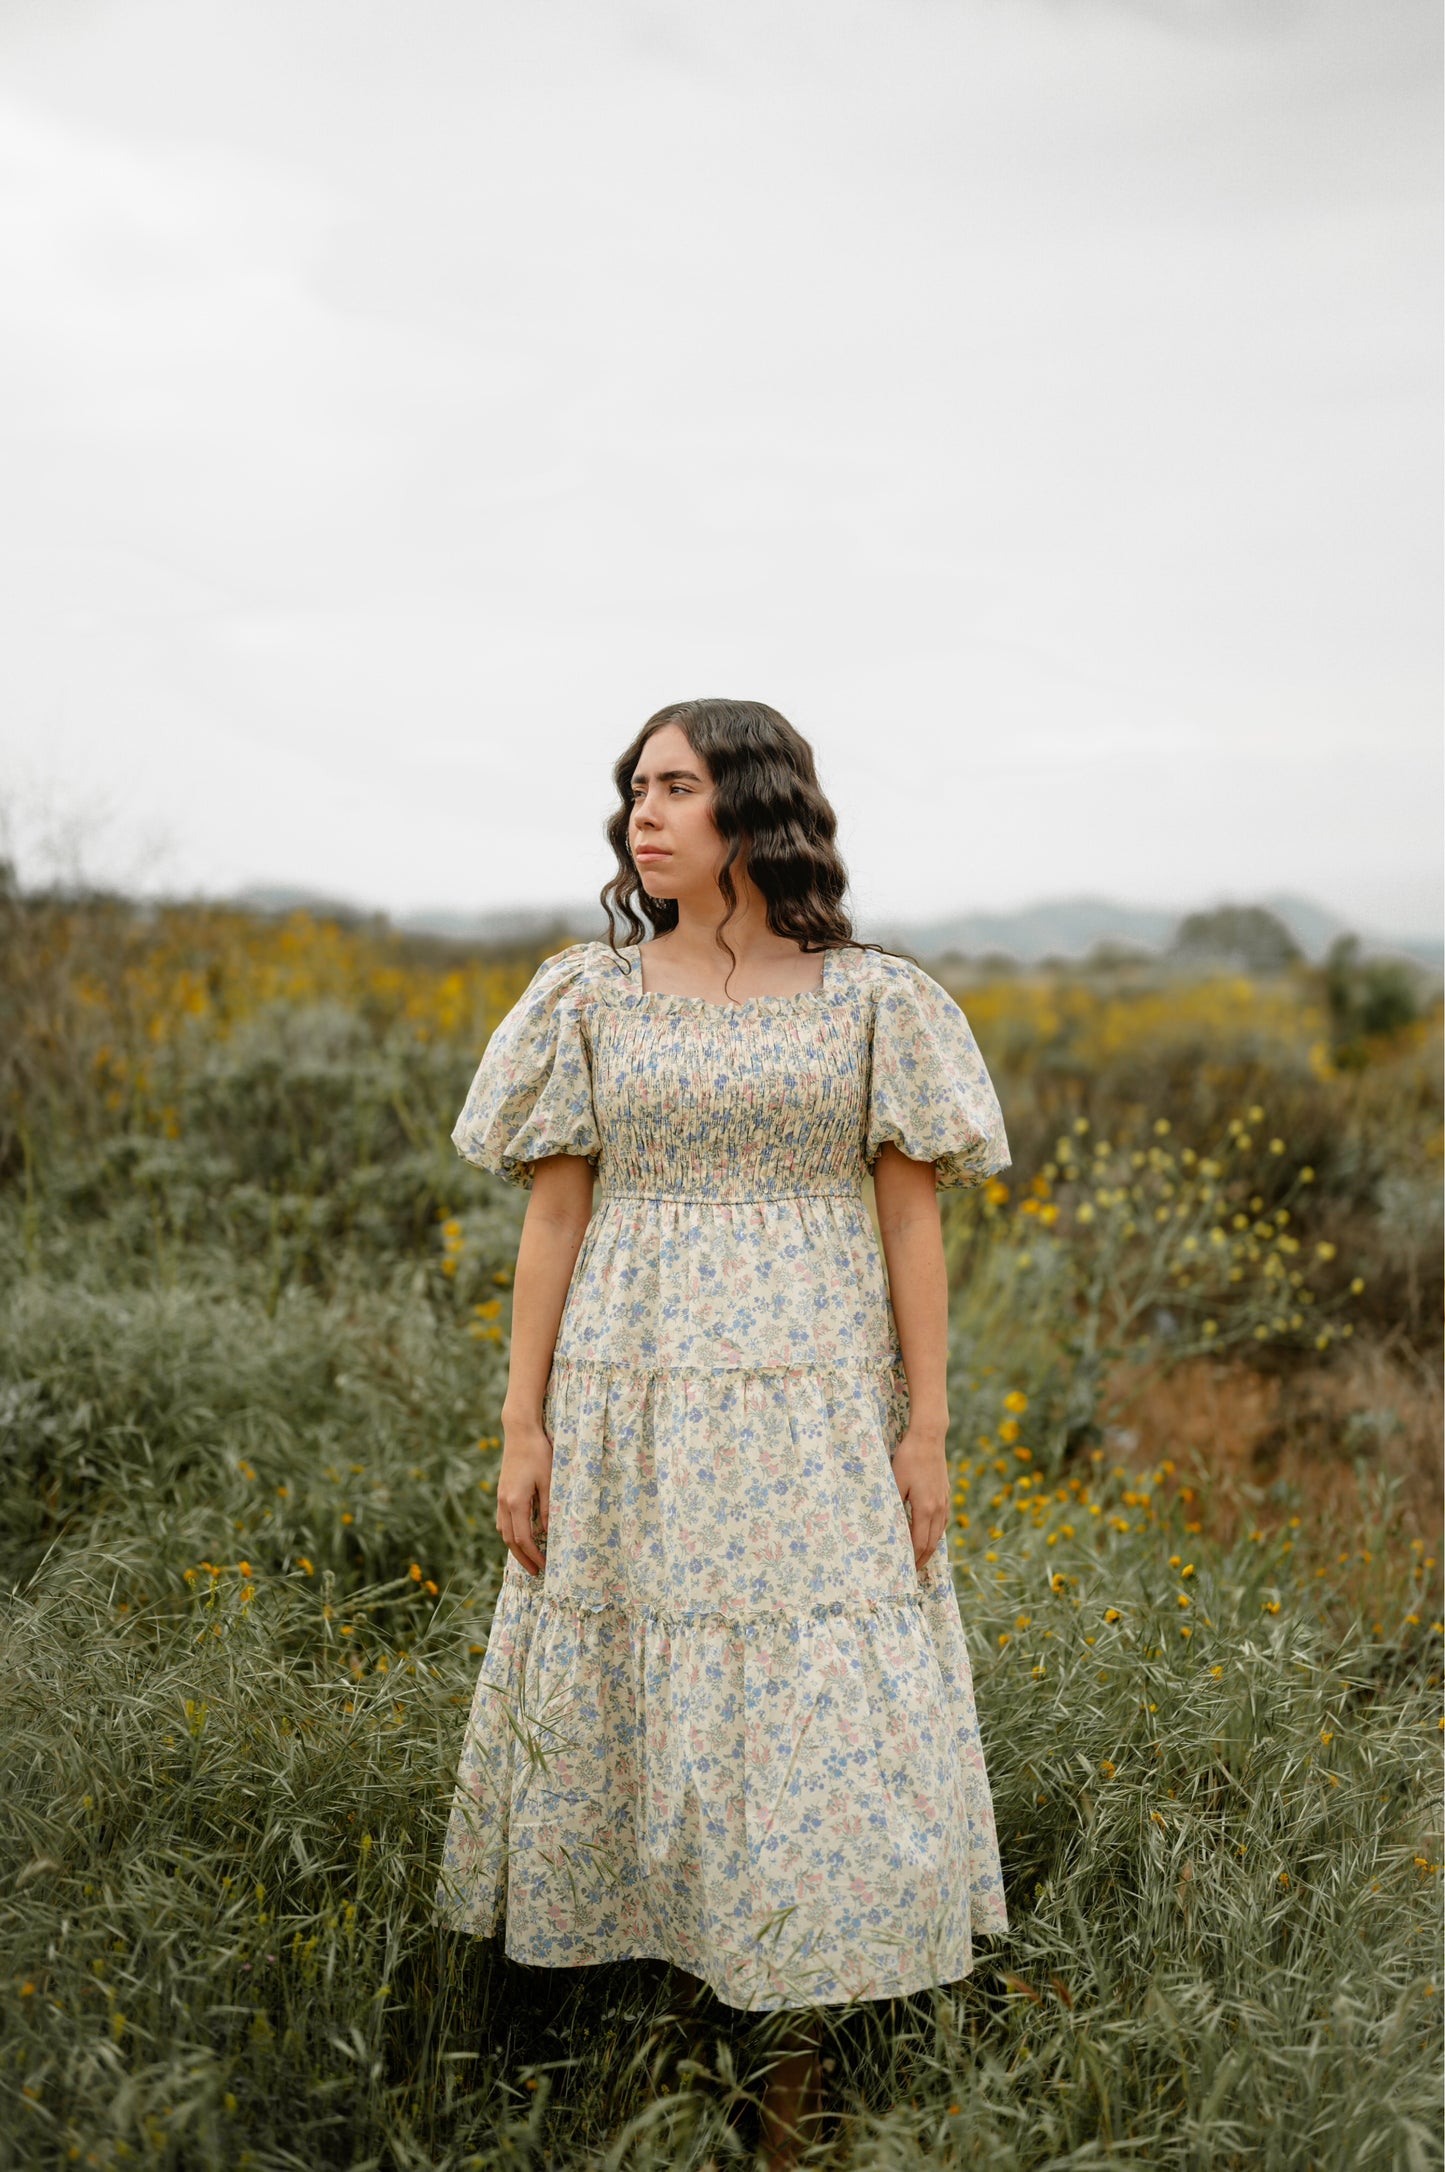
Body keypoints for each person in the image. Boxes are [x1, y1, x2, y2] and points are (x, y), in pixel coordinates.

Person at [434, 698, 1012, 2165]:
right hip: (628, 1397)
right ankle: (630, 2062)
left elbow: (910, 1222)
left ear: (750, 808)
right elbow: (554, 1211)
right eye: (636, 789)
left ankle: (793, 2096)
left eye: (677, 788)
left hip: (813, 1407)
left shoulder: (874, 998)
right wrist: (521, 1426)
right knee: (632, 1692)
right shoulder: (591, 996)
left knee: (817, 1708)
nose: (644, 813)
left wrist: (927, 1428)